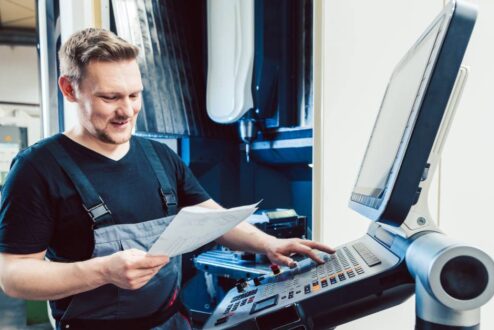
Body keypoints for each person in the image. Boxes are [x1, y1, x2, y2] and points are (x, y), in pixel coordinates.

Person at [0, 28, 334, 329]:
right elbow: (13, 275)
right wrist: (102, 271)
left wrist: (269, 244)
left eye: (134, 95)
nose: (127, 111)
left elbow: (214, 219)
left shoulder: (159, 157)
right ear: (69, 89)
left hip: (172, 322)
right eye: (110, 97)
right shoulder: (37, 168)